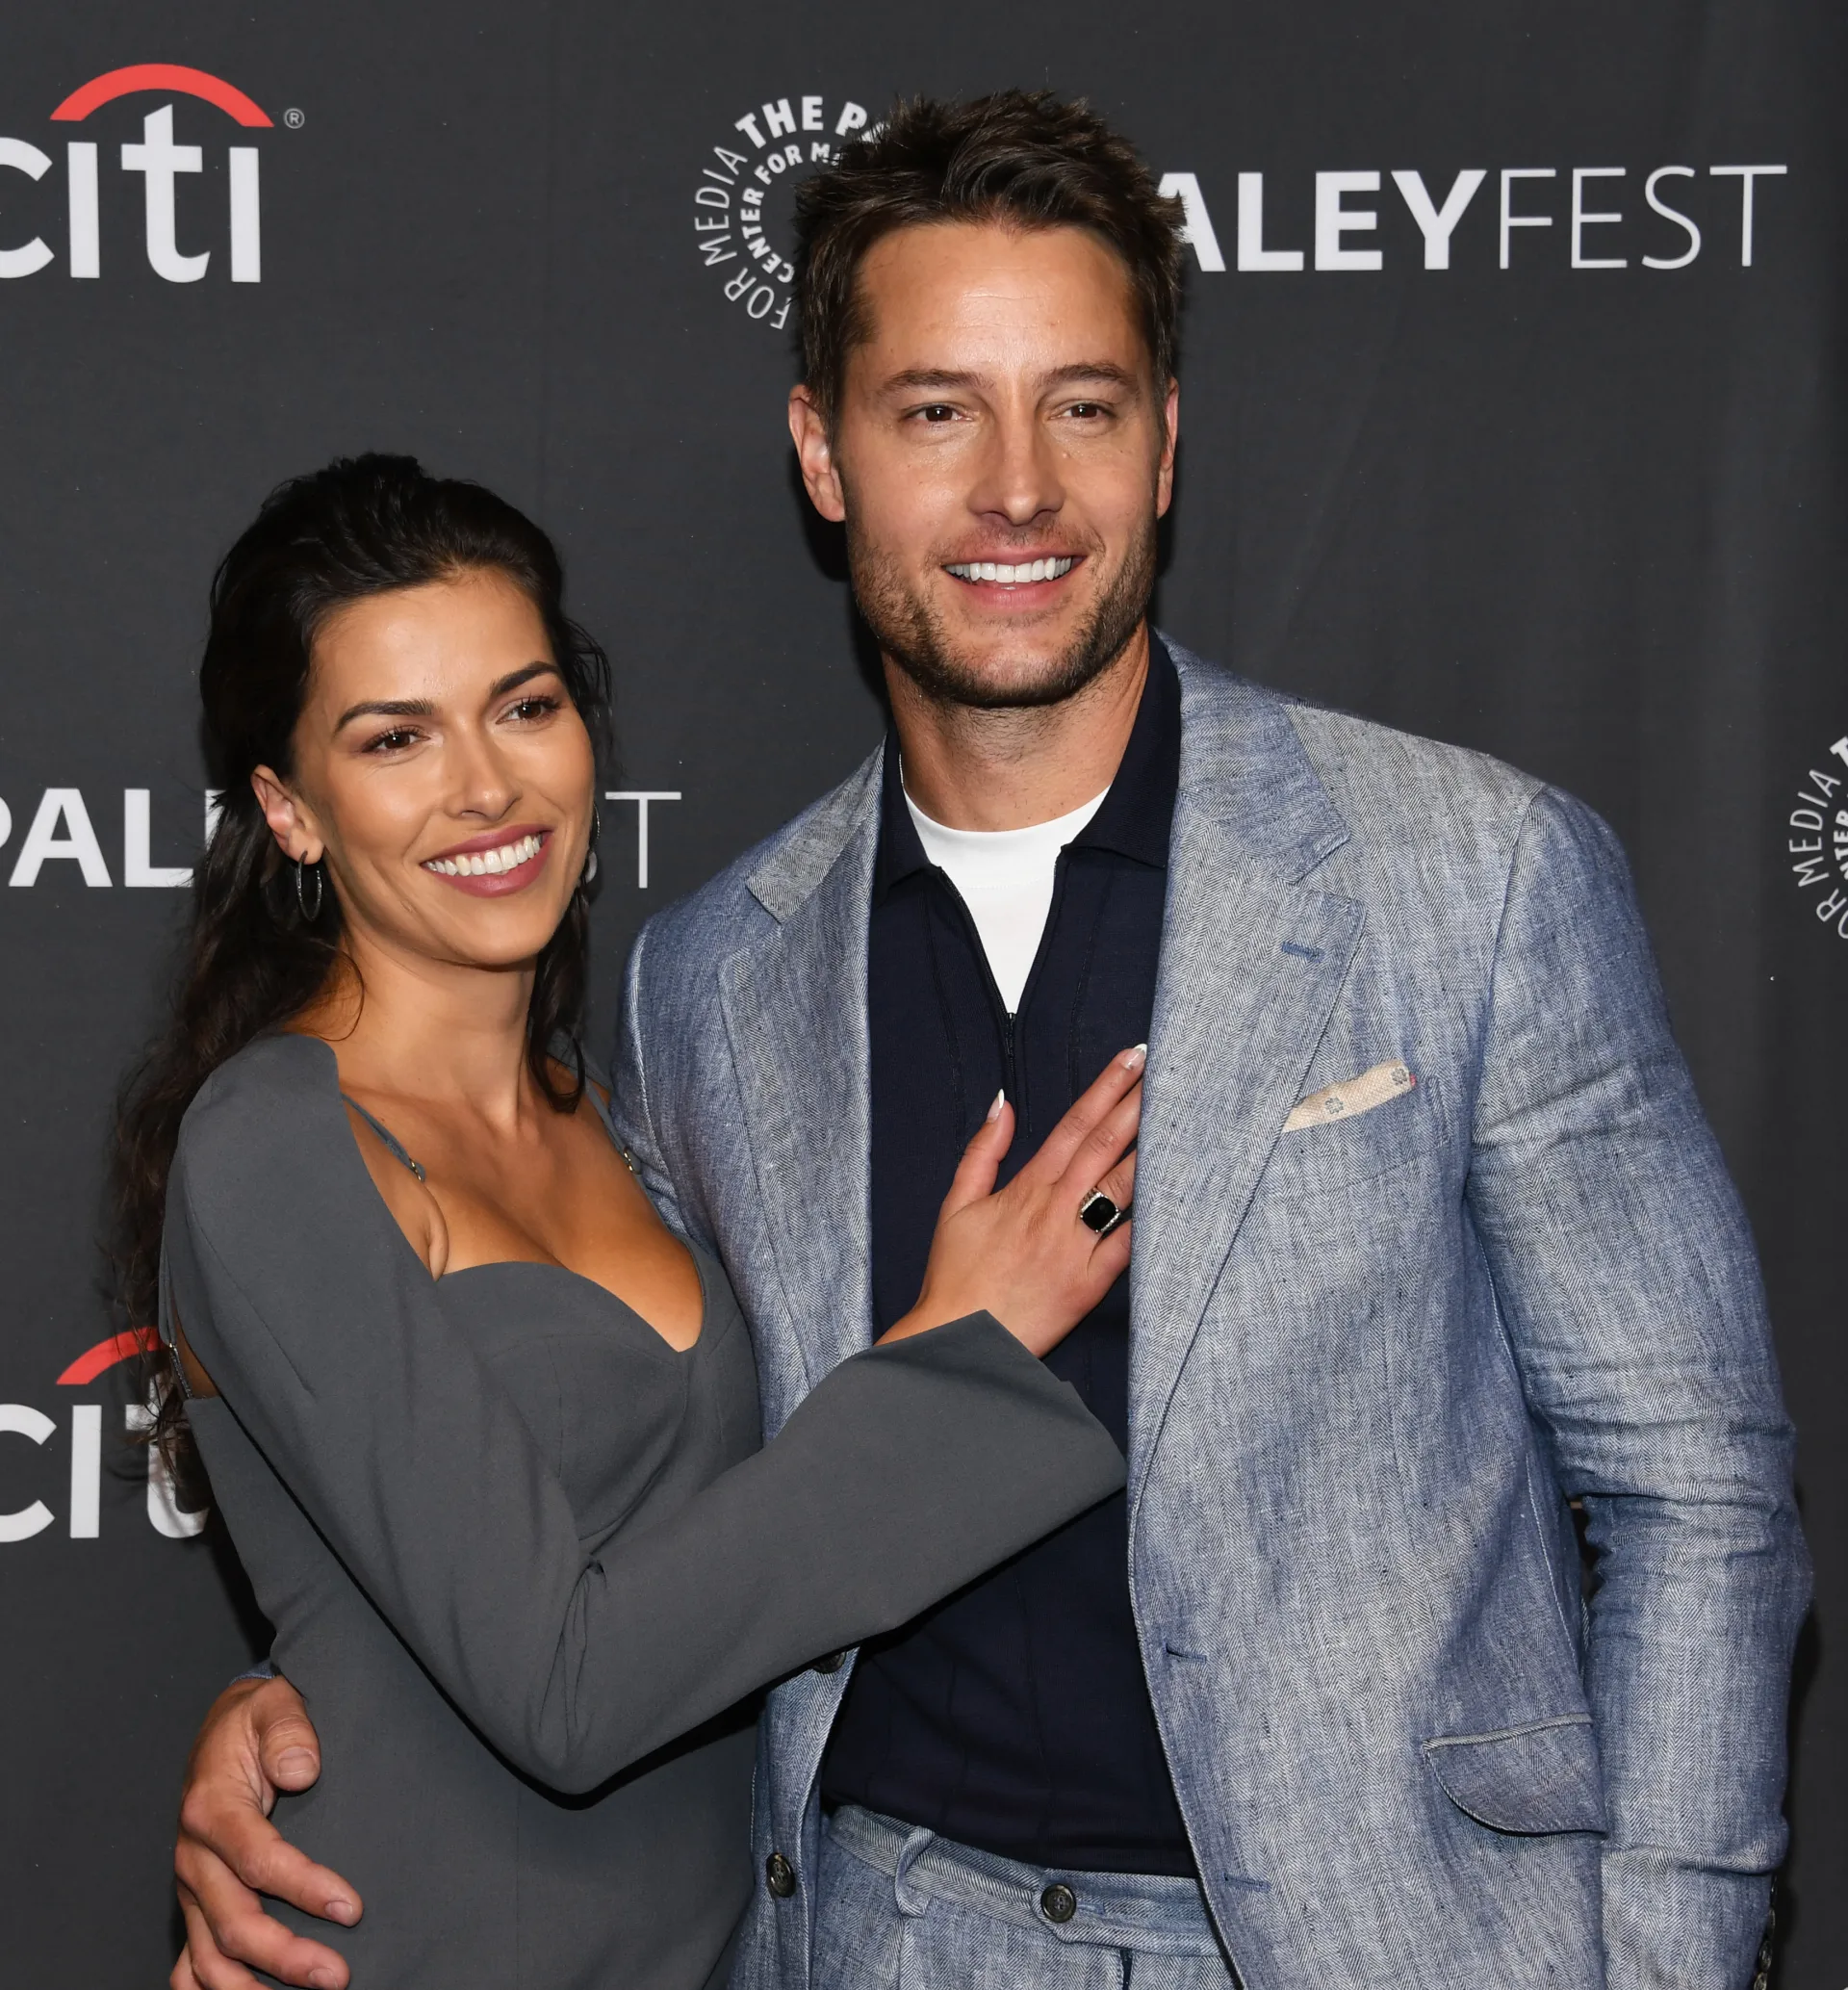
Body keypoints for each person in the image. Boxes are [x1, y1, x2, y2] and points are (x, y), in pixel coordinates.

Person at [170, 91, 1809, 1990]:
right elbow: (601, 1527)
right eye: (938, 411)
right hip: (878, 1934)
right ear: (825, 453)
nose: (1016, 488)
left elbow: (1694, 1489)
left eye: (1081, 406)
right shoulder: (711, 982)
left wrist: (1671, 1959)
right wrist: (317, 1698)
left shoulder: (1473, 872)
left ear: (1166, 440)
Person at [117, 451, 1146, 1990]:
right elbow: (569, 1686)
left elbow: (680, 1564)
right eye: (394, 737)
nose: (484, 786)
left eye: (523, 705)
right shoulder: (273, 1144)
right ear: (291, 809)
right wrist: (961, 1353)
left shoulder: (625, 1108)